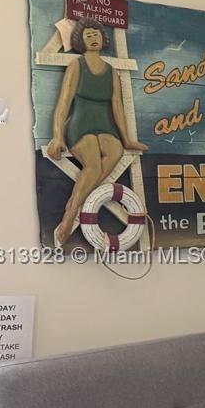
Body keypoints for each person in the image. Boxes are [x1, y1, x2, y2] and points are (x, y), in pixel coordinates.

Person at [43, 22, 147, 247]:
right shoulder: (77, 65)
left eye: (96, 34)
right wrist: (58, 136)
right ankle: (70, 216)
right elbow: (63, 103)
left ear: (102, 39)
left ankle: (75, 203)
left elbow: (117, 107)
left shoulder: (112, 72)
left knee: (116, 150)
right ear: (81, 41)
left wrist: (127, 138)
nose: (92, 38)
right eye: (88, 35)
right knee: (93, 164)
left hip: (105, 124)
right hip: (81, 124)